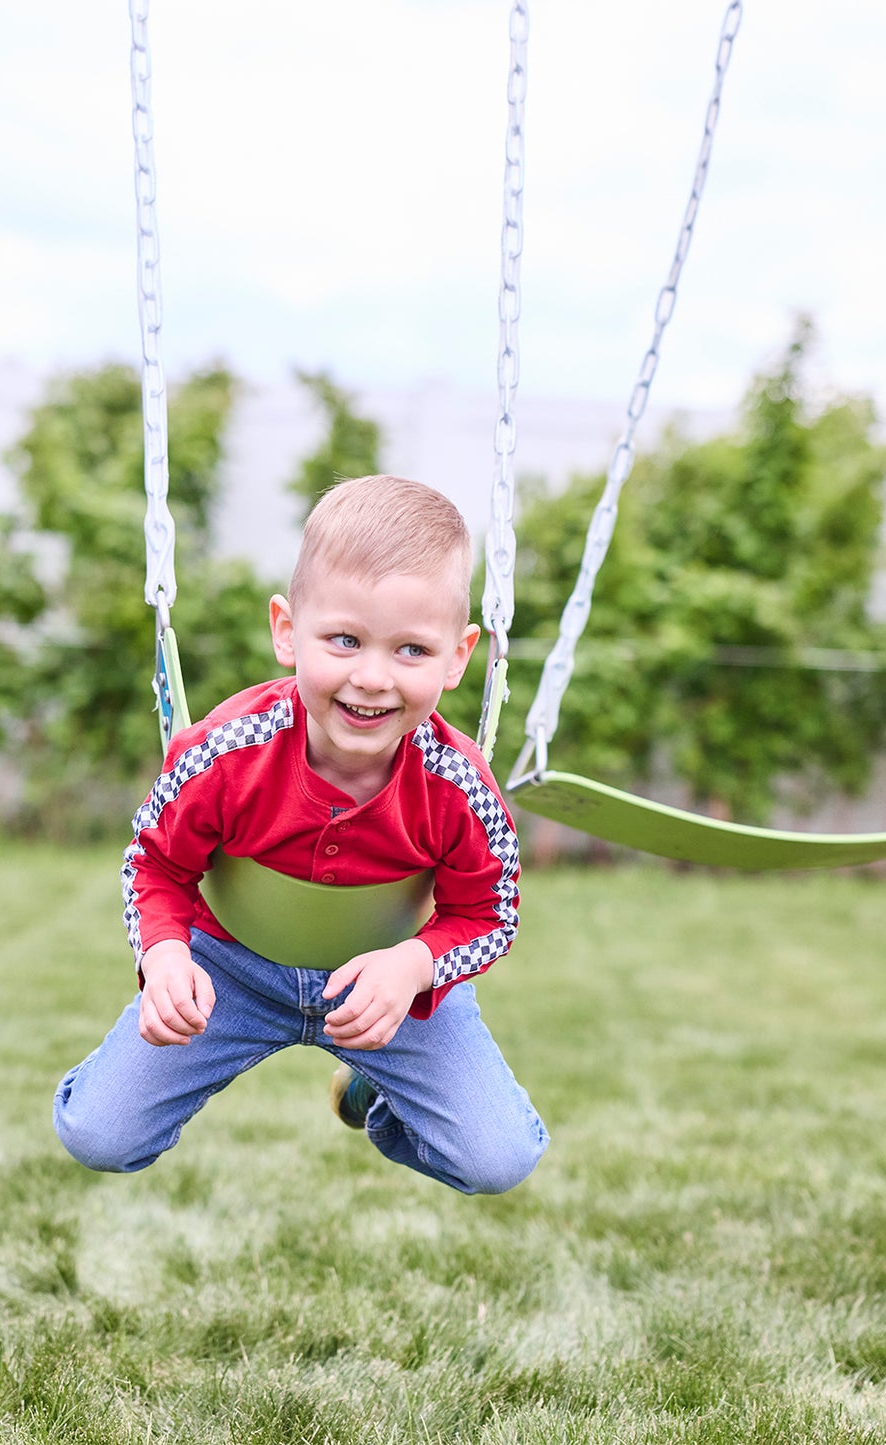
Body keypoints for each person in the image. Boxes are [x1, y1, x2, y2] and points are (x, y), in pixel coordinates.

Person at [54, 474, 548, 1197]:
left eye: (411, 649)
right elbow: (153, 863)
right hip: (230, 972)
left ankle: (373, 1095)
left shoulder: (459, 788)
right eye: (344, 639)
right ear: (287, 631)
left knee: (497, 1158)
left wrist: (412, 967)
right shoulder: (227, 752)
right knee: (99, 1133)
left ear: (458, 655)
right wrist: (163, 958)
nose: (372, 677)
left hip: (385, 988)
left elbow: (490, 915)